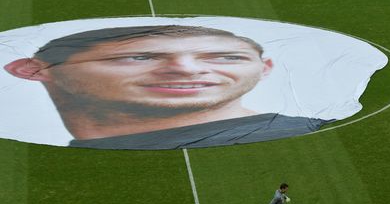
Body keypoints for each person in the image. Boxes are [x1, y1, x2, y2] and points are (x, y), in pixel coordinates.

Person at [4, 25, 325, 149]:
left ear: (264, 69)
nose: (186, 69)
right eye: (138, 57)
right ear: (31, 70)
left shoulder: (305, 135)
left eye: (227, 57)